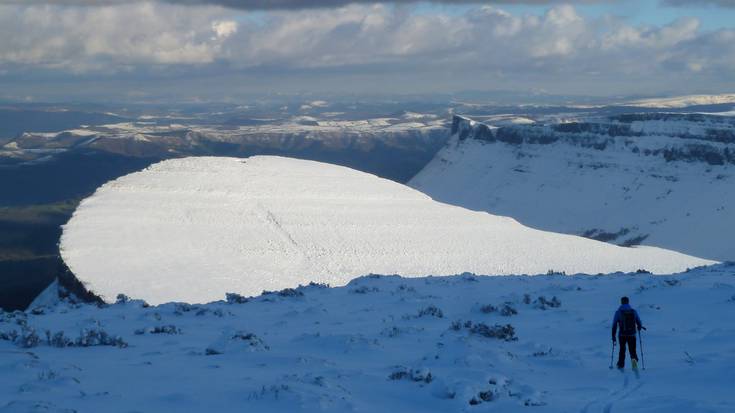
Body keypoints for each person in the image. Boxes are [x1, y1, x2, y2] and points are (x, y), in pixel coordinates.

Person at [612, 296, 645, 369]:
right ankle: (634, 361)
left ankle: (621, 364)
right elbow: (639, 322)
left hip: (622, 335)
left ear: (621, 302)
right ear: (628, 302)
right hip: (632, 334)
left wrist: (613, 336)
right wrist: (639, 327)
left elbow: (614, 325)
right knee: (632, 349)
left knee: (622, 349)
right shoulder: (633, 311)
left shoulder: (618, 312)